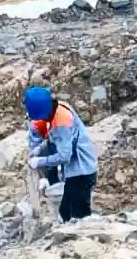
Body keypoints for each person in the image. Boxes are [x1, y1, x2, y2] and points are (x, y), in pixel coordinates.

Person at [24, 87, 98, 222]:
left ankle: (84, 239)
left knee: (75, 215)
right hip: (77, 170)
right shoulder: (58, 109)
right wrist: (40, 148)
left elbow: (64, 156)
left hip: (82, 171)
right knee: (67, 213)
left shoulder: (61, 122)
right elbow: (54, 139)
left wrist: (40, 161)